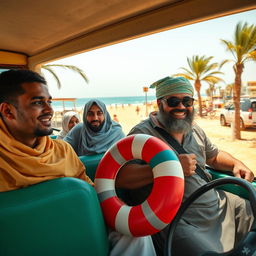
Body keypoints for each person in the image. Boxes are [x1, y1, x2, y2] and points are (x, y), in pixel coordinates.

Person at [0, 69, 156, 256]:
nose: (50, 110)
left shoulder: (62, 151)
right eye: (37, 103)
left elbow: (91, 197)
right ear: (8, 111)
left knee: (135, 234)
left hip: (78, 229)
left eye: (49, 102)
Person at [116, 76, 255, 256]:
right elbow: (122, 178)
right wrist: (170, 168)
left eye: (187, 101)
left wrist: (236, 163)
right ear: (160, 103)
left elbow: (213, 156)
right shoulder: (142, 133)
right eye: (173, 101)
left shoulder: (194, 128)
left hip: (217, 205)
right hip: (179, 219)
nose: (181, 107)